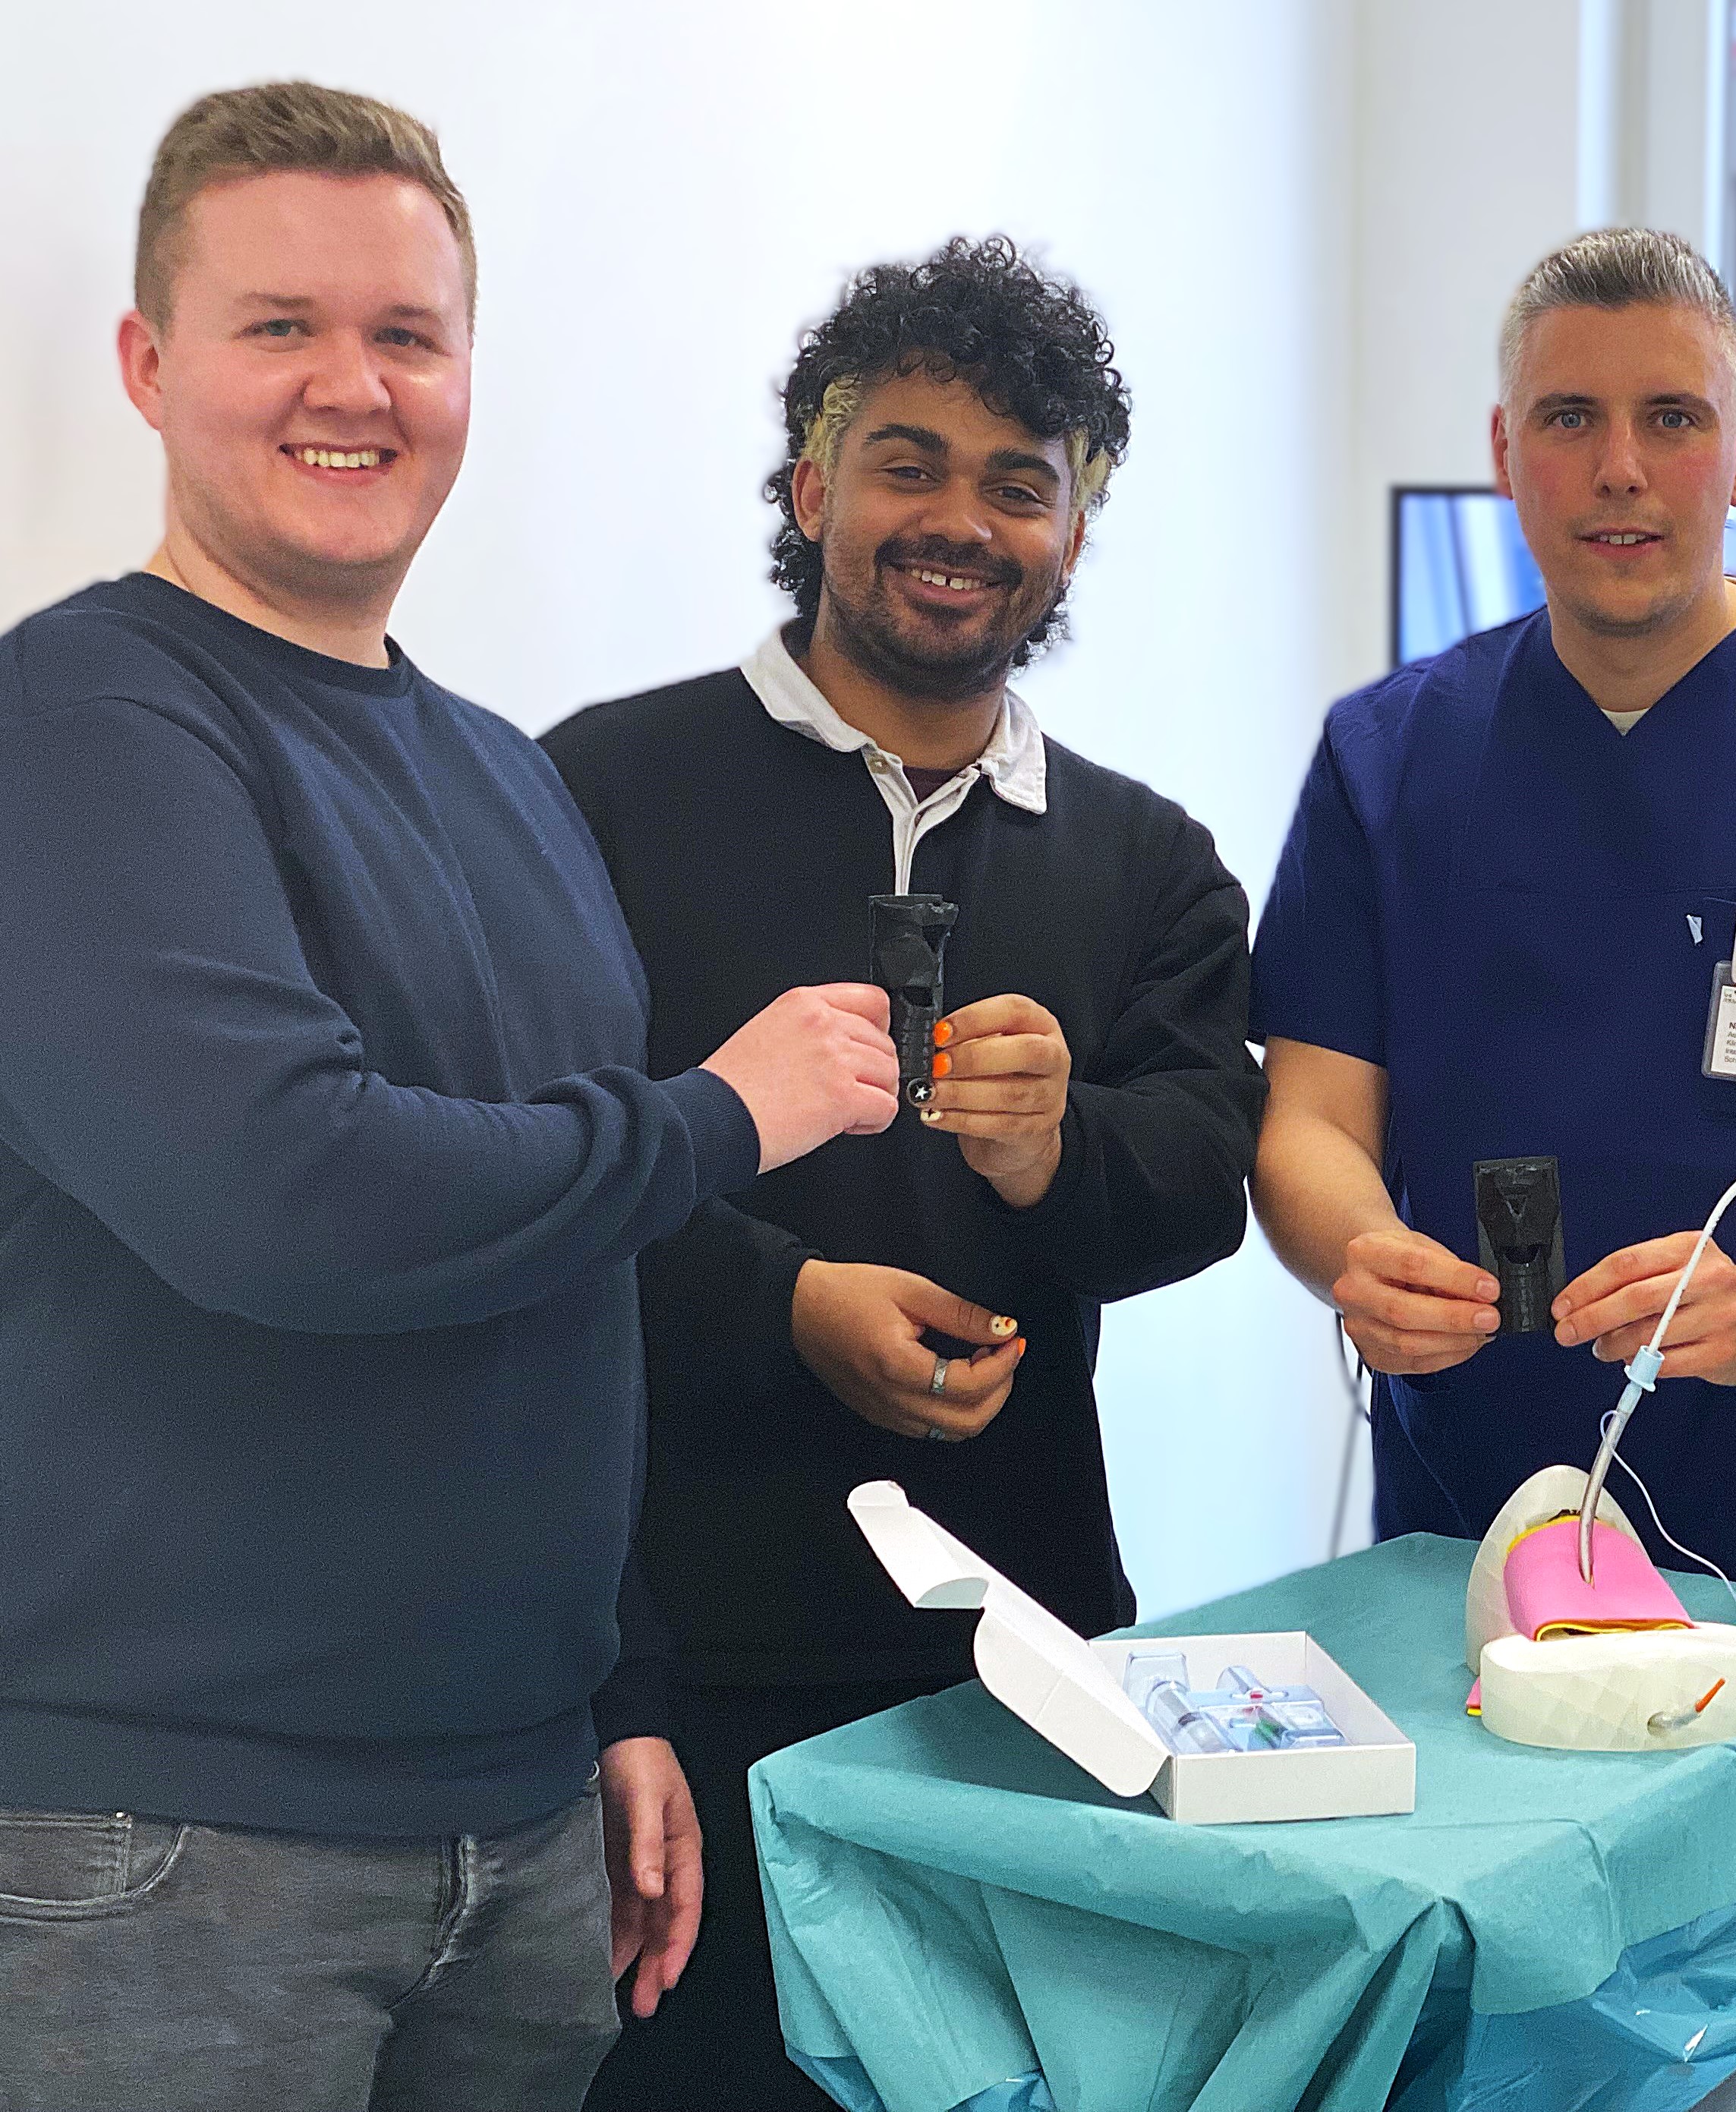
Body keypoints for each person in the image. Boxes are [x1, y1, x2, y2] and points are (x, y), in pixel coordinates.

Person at [0, 84, 896, 2112]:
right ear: (147, 365)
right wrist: (723, 1113)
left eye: (405, 332)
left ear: (467, 372)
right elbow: (282, 1191)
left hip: (523, 1818)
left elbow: (567, 1274)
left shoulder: (506, 772)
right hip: (169, 1847)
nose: (353, 385)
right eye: (280, 326)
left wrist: (621, 1682)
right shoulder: (82, 720)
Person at [1250, 228, 1736, 2112]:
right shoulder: (1390, 758)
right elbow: (1307, 1120)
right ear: (1504, 451)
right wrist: (1352, 1250)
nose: (1622, 469)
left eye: (1672, 418)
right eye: (1572, 420)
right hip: (1480, 1579)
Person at [545, 240, 1262, 2112]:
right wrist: (783, 1300)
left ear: (1075, 533)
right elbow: (533, 1175)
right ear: (811, 488)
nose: (961, 521)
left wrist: (1058, 1152)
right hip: (675, 1661)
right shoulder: (597, 792)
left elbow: (1207, 1174)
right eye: (909, 463)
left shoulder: (1147, 858)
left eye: (1021, 482)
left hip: (1021, 1657)